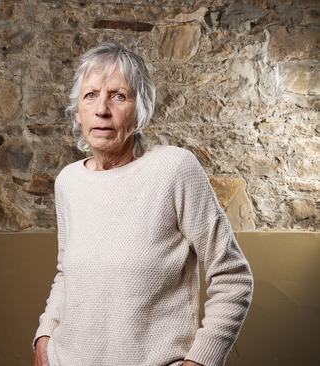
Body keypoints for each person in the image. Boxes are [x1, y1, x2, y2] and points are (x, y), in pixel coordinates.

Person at [33, 41, 253, 366]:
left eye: (119, 96)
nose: (102, 109)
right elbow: (67, 273)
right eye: (90, 95)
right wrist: (44, 337)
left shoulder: (175, 169)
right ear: (77, 112)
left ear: (141, 110)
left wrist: (199, 362)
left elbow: (233, 277)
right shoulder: (68, 182)